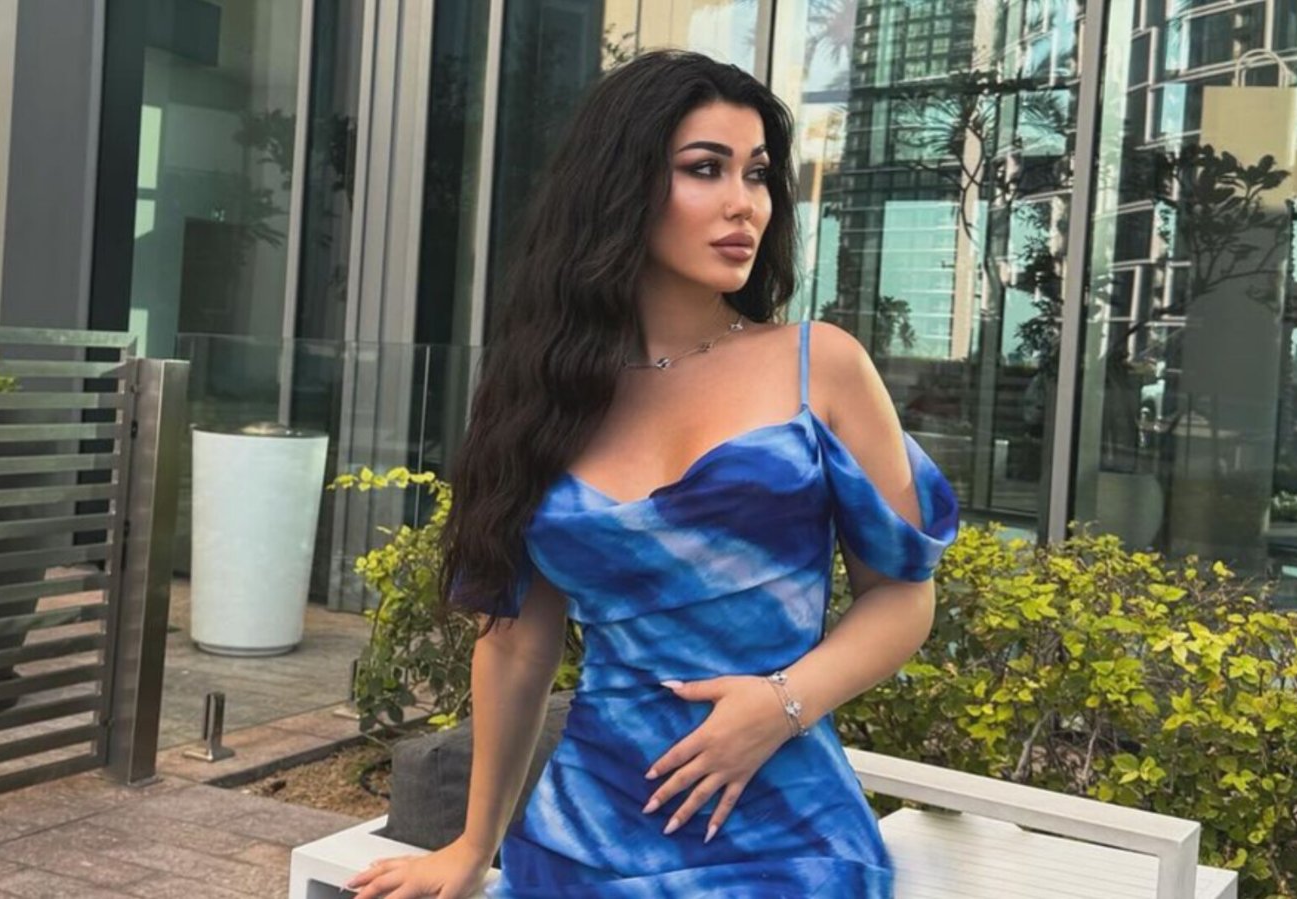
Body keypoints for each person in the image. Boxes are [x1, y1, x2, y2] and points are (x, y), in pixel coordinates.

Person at [344, 48, 957, 898]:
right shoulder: (540, 398)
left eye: (757, 174)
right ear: (619, 186)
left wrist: (781, 702)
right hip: (587, 832)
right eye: (705, 169)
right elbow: (516, 641)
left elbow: (903, 595)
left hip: (786, 835)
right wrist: (472, 845)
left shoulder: (822, 366)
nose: (745, 203)